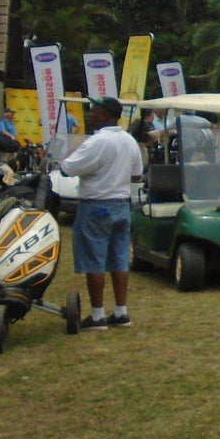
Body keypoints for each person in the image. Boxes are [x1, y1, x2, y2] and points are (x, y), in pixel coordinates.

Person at [59, 96, 144, 330]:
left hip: (96, 205)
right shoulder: (129, 141)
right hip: (121, 204)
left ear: (106, 114)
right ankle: (121, 311)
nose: (90, 114)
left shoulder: (96, 142)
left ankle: (97, 316)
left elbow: (67, 168)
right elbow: (137, 174)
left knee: (94, 260)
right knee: (119, 259)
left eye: (94, 111)